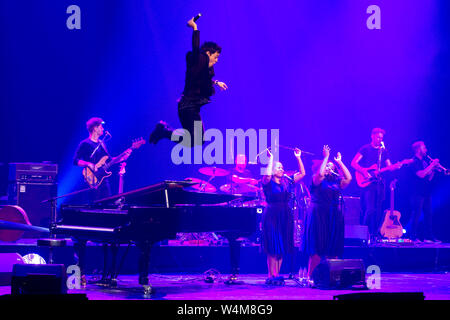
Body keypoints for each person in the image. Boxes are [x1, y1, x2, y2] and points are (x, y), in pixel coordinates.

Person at [149, 15, 228, 147]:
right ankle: (164, 131)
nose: (217, 60)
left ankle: (164, 132)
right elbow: (196, 50)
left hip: (192, 108)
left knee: (198, 141)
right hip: (187, 107)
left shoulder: (205, 70)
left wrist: (216, 82)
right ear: (208, 53)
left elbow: (203, 80)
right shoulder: (198, 60)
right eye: (216, 56)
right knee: (195, 141)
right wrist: (195, 28)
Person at [73, 117, 131, 287]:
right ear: (94, 128)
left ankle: (108, 267)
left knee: (108, 208)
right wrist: (90, 164)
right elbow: (75, 160)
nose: (102, 129)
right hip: (91, 181)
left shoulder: (104, 145)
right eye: (100, 127)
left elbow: (109, 161)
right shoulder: (85, 144)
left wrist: (123, 157)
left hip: (103, 183)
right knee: (92, 210)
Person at [304, 145, 352, 283]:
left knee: (333, 247)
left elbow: (349, 178)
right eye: (327, 166)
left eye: (332, 167)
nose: (329, 168)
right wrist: (325, 158)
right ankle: (311, 277)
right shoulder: (316, 179)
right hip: (319, 215)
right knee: (317, 247)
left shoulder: (337, 181)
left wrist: (339, 162)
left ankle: (333, 277)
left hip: (334, 215)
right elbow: (320, 174)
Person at [261, 148, 306, 285]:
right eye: (278, 167)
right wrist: (271, 160)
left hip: (285, 215)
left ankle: (277, 275)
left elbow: (303, 173)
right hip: (272, 215)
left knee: (281, 246)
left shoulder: (287, 182)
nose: (282, 169)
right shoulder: (268, 182)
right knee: (273, 246)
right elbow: (267, 175)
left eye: (282, 167)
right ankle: (271, 275)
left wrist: (298, 157)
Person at [351, 128, 400, 242]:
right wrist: (364, 171)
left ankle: (374, 234)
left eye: (381, 138)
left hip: (379, 182)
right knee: (370, 209)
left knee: (378, 209)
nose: (380, 139)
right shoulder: (365, 149)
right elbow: (353, 163)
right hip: (368, 182)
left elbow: (389, 166)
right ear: (372, 136)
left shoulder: (384, 151)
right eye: (378, 137)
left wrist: (396, 166)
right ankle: (363, 233)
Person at [408, 141, 446, 243]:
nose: (426, 150)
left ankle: (428, 237)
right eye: (424, 148)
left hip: (426, 192)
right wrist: (432, 165)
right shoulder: (413, 161)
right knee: (416, 214)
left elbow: (428, 178)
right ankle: (412, 237)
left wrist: (433, 169)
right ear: (418, 149)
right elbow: (421, 174)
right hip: (416, 192)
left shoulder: (424, 162)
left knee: (428, 214)